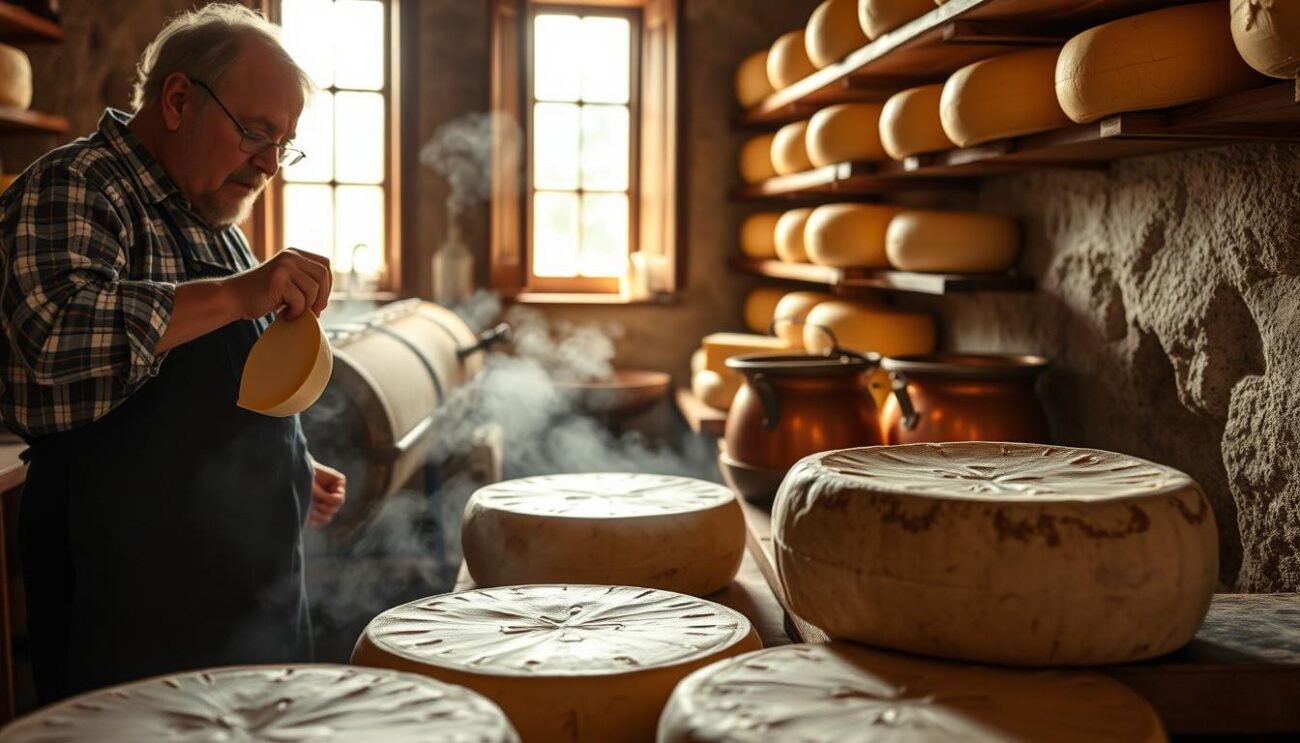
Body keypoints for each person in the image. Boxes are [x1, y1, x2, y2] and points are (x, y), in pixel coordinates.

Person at [0, 4, 346, 704]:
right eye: (256, 132)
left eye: (284, 144)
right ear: (180, 99)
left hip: (252, 601)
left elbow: (225, 380)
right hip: (139, 605)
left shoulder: (212, 219)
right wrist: (239, 292)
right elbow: (54, 341)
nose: (269, 164)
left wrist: (286, 460)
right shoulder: (78, 185)